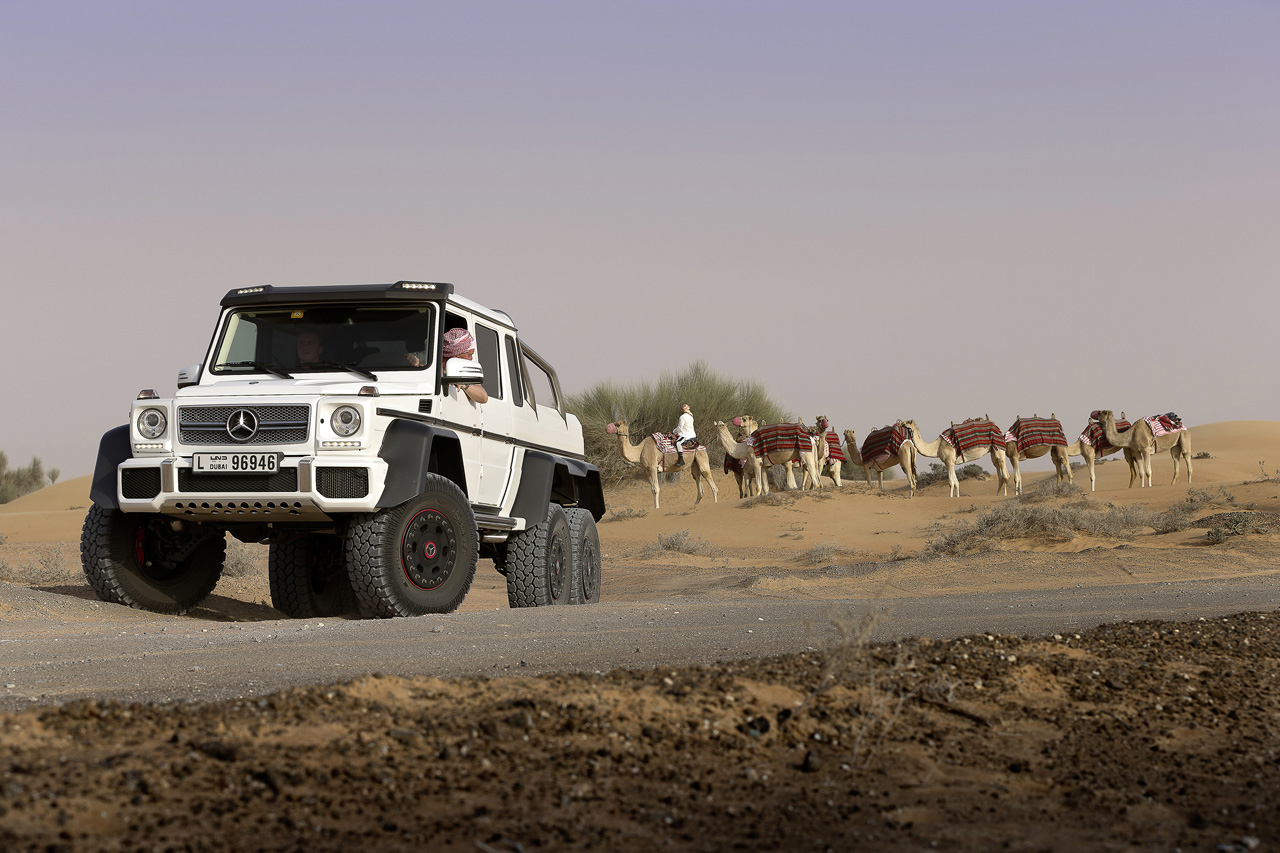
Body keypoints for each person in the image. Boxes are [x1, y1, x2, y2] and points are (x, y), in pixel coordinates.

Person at [442, 328, 488, 404]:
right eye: (469, 355)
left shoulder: (466, 370)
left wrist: (464, 385)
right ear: (455, 355)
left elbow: (483, 397)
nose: (471, 358)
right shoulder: (432, 365)